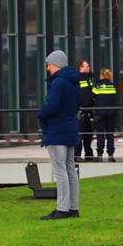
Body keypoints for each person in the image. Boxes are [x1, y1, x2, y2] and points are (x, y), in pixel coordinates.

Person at [38, 50, 82, 220]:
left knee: (60, 170)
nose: (48, 69)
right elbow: (77, 105)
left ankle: (62, 209)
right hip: (70, 128)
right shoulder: (73, 82)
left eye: (49, 65)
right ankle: (73, 207)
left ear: (56, 64)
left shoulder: (58, 82)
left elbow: (51, 105)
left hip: (56, 130)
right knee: (70, 169)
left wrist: (41, 115)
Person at [93, 68, 118, 162]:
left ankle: (99, 154)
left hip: (100, 112)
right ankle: (111, 155)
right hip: (111, 112)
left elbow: (94, 97)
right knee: (110, 134)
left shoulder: (97, 86)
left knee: (100, 134)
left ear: (102, 75)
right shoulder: (112, 86)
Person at [76, 59, 96, 162]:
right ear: (81, 68)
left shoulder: (90, 78)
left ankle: (89, 155)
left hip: (89, 110)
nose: (89, 68)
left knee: (88, 135)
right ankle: (77, 155)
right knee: (79, 134)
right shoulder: (77, 78)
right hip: (81, 110)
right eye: (87, 66)